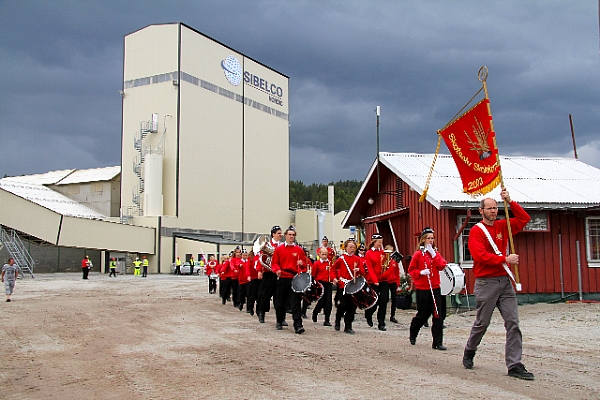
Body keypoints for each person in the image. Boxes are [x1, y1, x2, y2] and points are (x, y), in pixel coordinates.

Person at [462, 188, 534, 381]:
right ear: (481, 211)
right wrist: (505, 258)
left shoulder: (504, 226)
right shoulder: (476, 231)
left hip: (505, 282)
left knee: (513, 323)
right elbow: (480, 256)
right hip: (486, 282)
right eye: (490, 208)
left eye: (495, 208)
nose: (494, 211)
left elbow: (525, 218)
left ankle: (514, 364)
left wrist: (510, 201)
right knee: (482, 323)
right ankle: (470, 349)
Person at [408, 227, 448, 350]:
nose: (431, 240)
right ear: (423, 240)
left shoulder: (435, 253)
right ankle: (413, 331)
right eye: (428, 238)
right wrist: (420, 272)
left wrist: (434, 255)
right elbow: (411, 270)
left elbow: (442, 265)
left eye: (432, 238)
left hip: (435, 287)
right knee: (423, 314)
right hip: (423, 288)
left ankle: (437, 342)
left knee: (438, 314)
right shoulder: (418, 254)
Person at [271, 226, 308, 334]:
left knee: (295, 302)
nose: (291, 236)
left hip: (294, 279)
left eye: (293, 235)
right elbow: (275, 263)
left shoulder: (299, 250)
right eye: (290, 234)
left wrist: (301, 265)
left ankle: (298, 325)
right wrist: (277, 270)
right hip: (283, 278)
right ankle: (279, 320)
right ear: (285, 236)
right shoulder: (279, 249)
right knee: (280, 301)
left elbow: (304, 267)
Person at [333, 239, 366, 334]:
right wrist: (335, 278)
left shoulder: (357, 259)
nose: (352, 249)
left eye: (353, 247)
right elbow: (333, 270)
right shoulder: (341, 259)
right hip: (343, 285)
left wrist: (358, 269)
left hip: (354, 285)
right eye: (350, 247)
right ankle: (338, 320)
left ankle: (348, 326)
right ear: (346, 248)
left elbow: (363, 272)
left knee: (352, 306)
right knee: (343, 304)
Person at [256, 225, 283, 324]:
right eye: (279, 233)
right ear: (273, 234)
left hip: (280, 274)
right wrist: (259, 270)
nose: (281, 235)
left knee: (279, 297)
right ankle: (261, 314)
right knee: (265, 295)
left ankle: (281, 319)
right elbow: (261, 258)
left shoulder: (282, 245)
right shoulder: (268, 245)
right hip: (269, 274)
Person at [364, 234, 385, 331]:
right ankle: (369, 314)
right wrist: (375, 280)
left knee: (383, 301)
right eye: (379, 242)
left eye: (381, 242)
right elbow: (370, 268)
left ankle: (381, 323)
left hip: (383, 279)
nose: (380, 244)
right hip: (373, 280)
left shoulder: (383, 252)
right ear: (374, 242)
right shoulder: (369, 253)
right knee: (375, 301)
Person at [311, 247, 334, 326]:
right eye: (323, 254)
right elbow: (314, 274)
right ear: (319, 254)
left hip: (328, 283)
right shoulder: (317, 263)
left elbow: (332, 272)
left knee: (329, 302)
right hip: (320, 283)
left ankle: (327, 320)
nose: (324, 256)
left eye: (326, 254)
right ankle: (315, 312)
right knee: (321, 301)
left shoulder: (329, 263)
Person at [382, 244, 401, 324]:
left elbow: (397, 272)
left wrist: (398, 282)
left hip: (393, 281)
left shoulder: (394, 261)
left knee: (394, 299)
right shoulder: (383, 260)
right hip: (386, 281)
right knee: (385, 299)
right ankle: (383, 314)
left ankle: (392, 315)